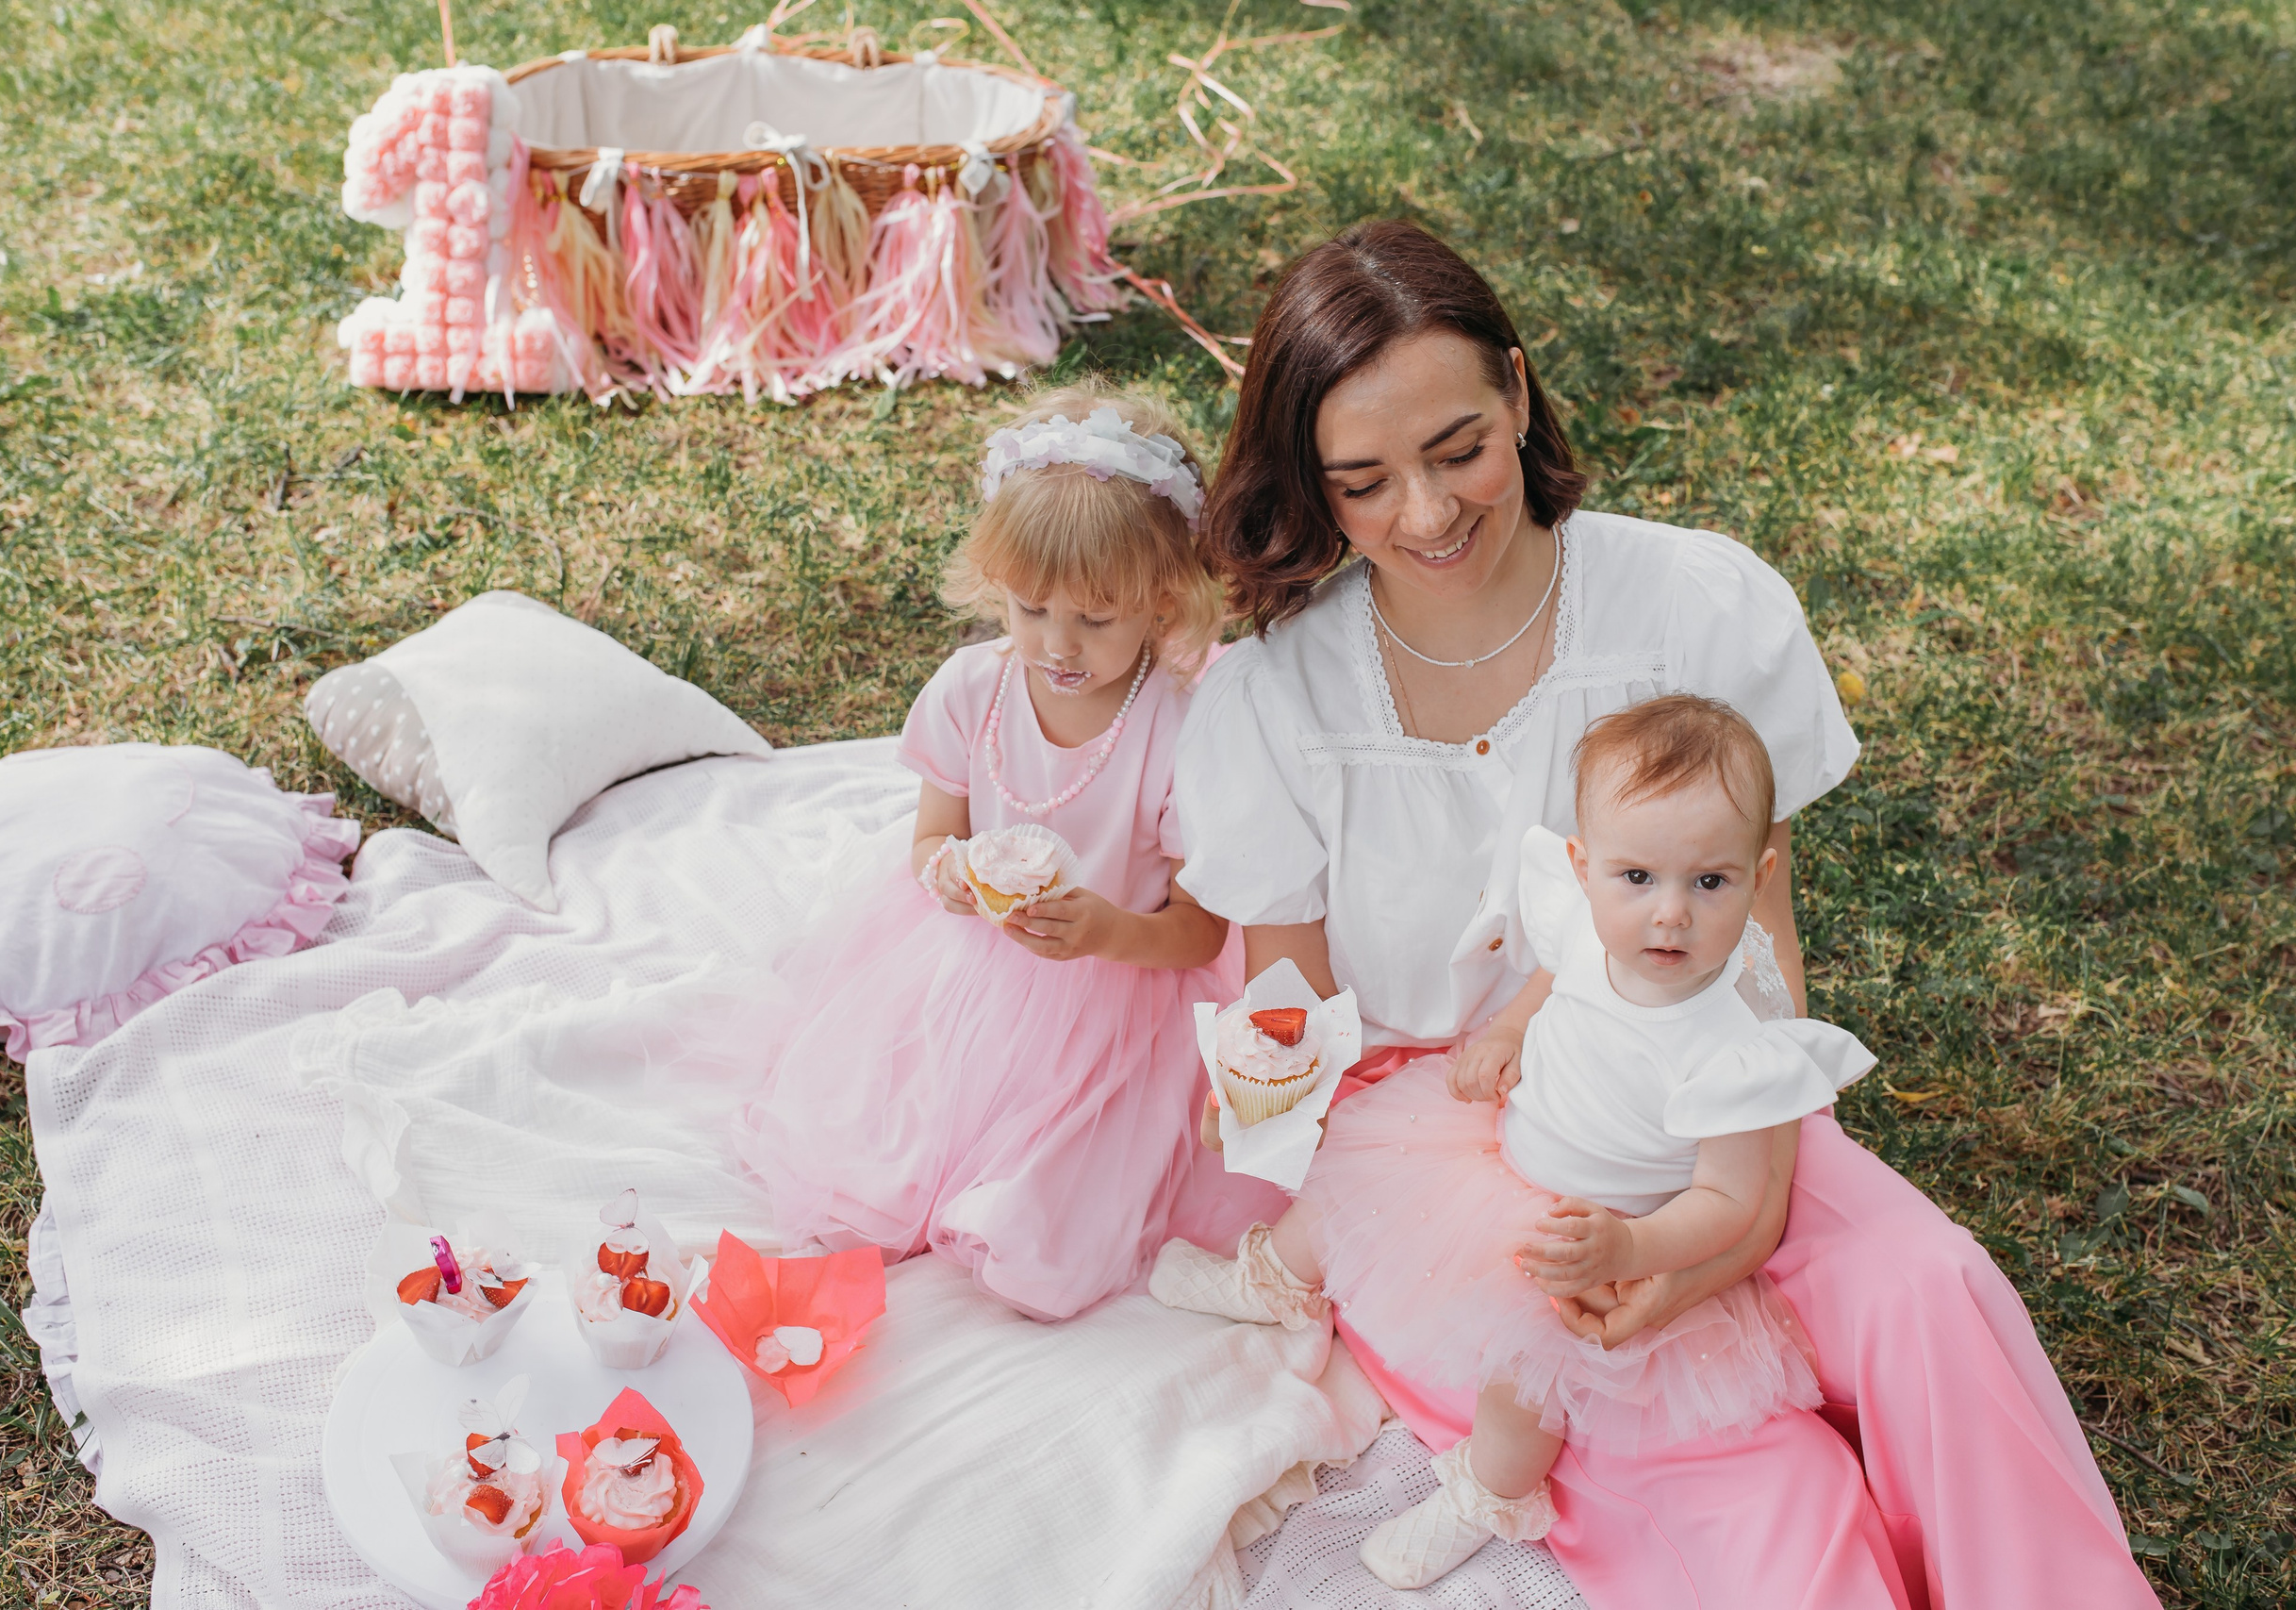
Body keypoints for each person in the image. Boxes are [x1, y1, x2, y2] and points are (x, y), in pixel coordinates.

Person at [1173, 221, 2160, 1608]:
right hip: (1465, 1153)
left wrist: (1742, 1216)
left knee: (1926, 1282)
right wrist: (1268, 1113)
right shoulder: (1275, 696)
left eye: (1459, 447)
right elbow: (1289, 1019)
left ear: (1519, 392)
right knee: (1768, 1490)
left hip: (1709, 1086)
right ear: (1312, 485)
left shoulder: (1694, 601)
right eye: (1363, 481)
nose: (1427, 512)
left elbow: (1758, 948)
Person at [1158, 695, 1907, 1599]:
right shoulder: (1589, 928)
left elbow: (1731, 1201)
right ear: (1586, 870)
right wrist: (1510, 1033)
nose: (1669, 915)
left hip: (1598, 1227)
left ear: (1759, 876)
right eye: (1639, 878)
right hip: (1498, 1150)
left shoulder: (1741, 1045)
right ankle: (1272, 1278)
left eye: (1709, 883)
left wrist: (1630, 1248)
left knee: (1531, 1376)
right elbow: (1551, 979)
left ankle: (1486, 1494)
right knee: (1362, 1180)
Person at [731, 382, 1238, 1321]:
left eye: (1097, 617)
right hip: (971, 976)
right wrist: (949, 874)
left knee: (1039, 1251)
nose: (1059, 644)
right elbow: (934, 834)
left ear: (1163, 602)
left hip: (1119, 1000)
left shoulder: (1176, 729)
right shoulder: (974, 689)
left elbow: (1202, 933)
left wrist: (1106, 932)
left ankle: (1024, 1191)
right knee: (869, 1179)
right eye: (1031, 609)